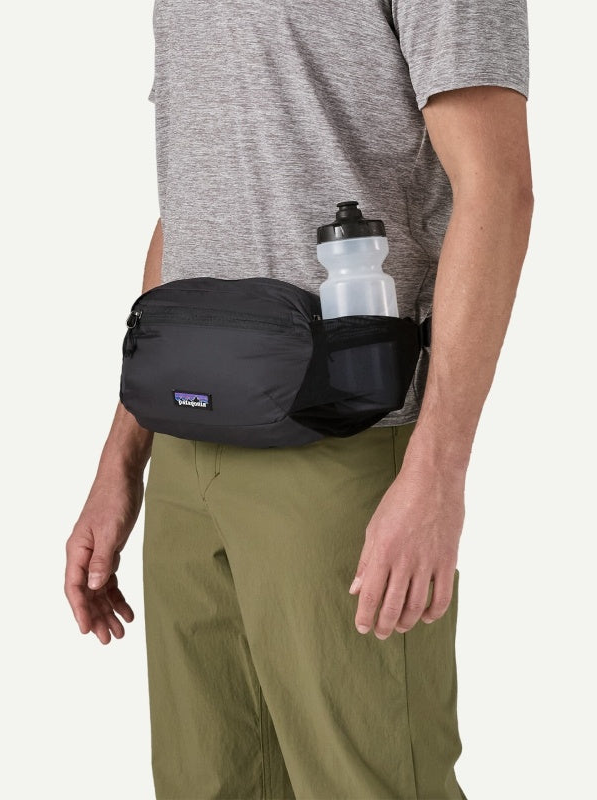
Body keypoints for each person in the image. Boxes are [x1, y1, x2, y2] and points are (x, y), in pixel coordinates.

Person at [65, 1, 533, 797]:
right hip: (185, 448)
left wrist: (437, 474)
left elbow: (498, 189)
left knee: (368, 783)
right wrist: (122, 457)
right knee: (202, 783)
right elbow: (192, 208)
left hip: (343, 443)